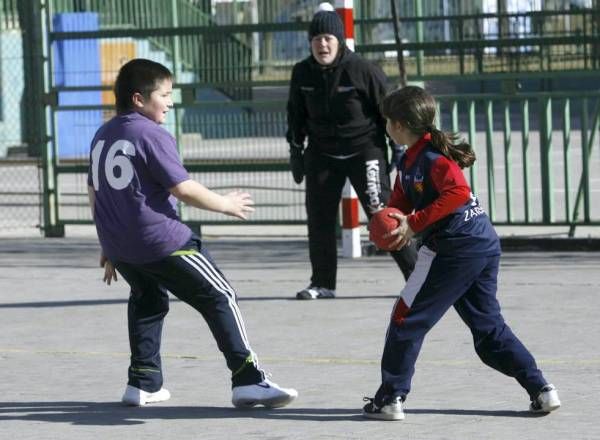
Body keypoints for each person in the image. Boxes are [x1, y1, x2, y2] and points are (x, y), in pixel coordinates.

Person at [87, 58, 297, 408]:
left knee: (148, 299)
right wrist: (226, 204)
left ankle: (143, 382)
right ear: (139, 99)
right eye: (165, 95)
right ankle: (248, 379)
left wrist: (108, 246)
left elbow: (96, 194)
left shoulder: (102, 134)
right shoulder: (151, 133)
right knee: (220, 295)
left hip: (123, 248)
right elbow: (182, 188)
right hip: (161, 241)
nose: (169, 102)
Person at [362, 86, 561, 420]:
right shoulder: (411, 160)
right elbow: (400, 202)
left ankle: (390, 398)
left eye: (386, 120)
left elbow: (457, 192)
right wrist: (393, 223)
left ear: (397, 125)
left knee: (405, 318)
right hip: (480, 245)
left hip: (453, 248)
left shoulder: (433, 158)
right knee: (488, 331)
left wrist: (413, 224)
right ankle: (541, 389)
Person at [286, 5, 417, 300]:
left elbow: (389, 111)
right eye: (316, 39)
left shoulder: (363, 70)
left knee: (384, 215)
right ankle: (322, 283)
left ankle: (419, 279)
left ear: (339, 40)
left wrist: (398, 146)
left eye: (328, 38)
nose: (322, 44)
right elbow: (295, 114)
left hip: (364, 150)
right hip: (322, 153)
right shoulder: (302, 73)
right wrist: (295, 149)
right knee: (319, 220)